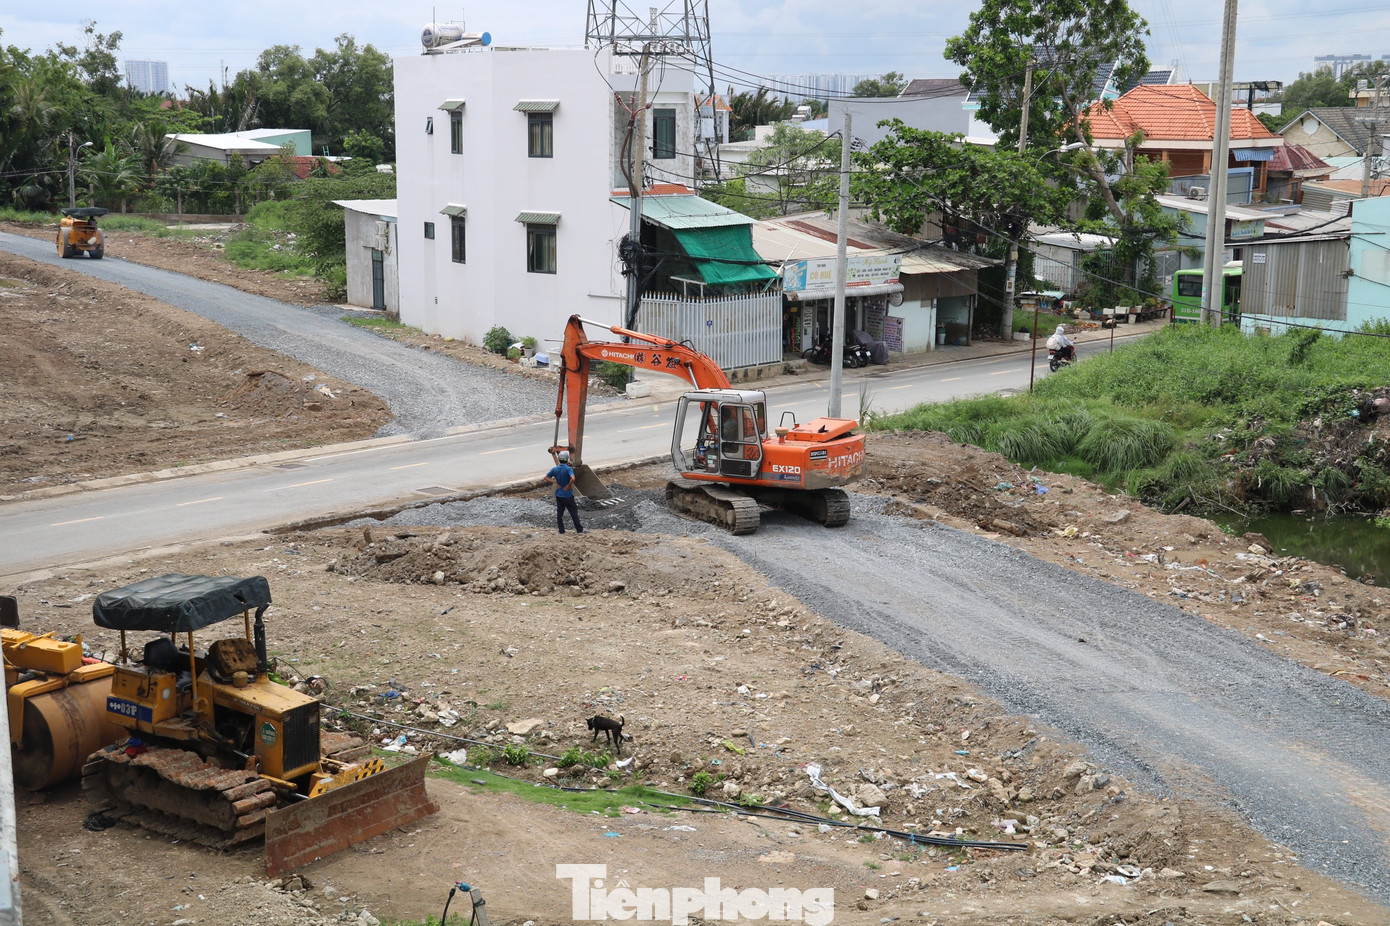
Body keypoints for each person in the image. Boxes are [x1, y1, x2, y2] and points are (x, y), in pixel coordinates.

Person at [545, 450, 584, 534]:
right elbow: (573, 478)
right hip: (567, 495)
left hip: (559, 495)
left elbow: (546, 477)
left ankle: (561, 530)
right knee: (573, 513)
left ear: (559, 459)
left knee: (560, 514)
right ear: (567, 459)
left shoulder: (555, 469)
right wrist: (568, 485)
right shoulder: (568, 469)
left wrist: (555, 482)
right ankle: (579, 530)